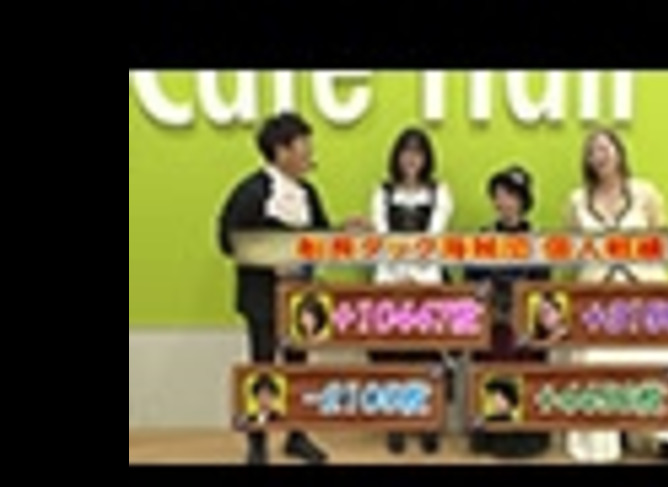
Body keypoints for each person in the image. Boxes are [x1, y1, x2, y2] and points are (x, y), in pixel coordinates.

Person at [216, 112, 369, 465]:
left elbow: (317, 239)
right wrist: (270, 258)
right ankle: (257, 443)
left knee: (298, 368)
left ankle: (296, 435)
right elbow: (227, 240)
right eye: (304, 147)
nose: (309, 154)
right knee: (263, 368)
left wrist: (343, 231)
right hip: (262, 299)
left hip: (302, 301)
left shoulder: (308, 193)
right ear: (281, 150)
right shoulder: (251, 192)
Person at [563, 128, 668, 464]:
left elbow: (664, 239)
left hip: (645, 291)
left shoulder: (646, 193)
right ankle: (605, 441)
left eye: (605, 148)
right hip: (598, 298)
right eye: (593, 151)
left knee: (665, 362)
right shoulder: (576, 200)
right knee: (598, 365)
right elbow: (569, 251)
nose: (600, 155)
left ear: (619, 153)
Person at [367, 127, 454, 455]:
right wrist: (399, 278)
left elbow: (433, 238)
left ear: (426, 158)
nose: (412, 158)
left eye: (418, 152)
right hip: (389, 279)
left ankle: (428, 420)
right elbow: (382, 238)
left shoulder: (440, 192)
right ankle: (395, 420)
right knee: (392, 355)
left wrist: (415, 279)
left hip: (427, 278)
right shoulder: (382, 192)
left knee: (428, 354)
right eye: (406, 151)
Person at [464, 166, 552, 459]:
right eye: (499, 195)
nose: (504, 202)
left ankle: (526, 433)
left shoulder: (537, 239)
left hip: (524, 320)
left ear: (523, 201)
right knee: (490, 370)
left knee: (526, 369)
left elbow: (543, 282)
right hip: (492, 321)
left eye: (511, 196)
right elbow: (471, 278)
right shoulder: (483, 237)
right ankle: (489, 432)